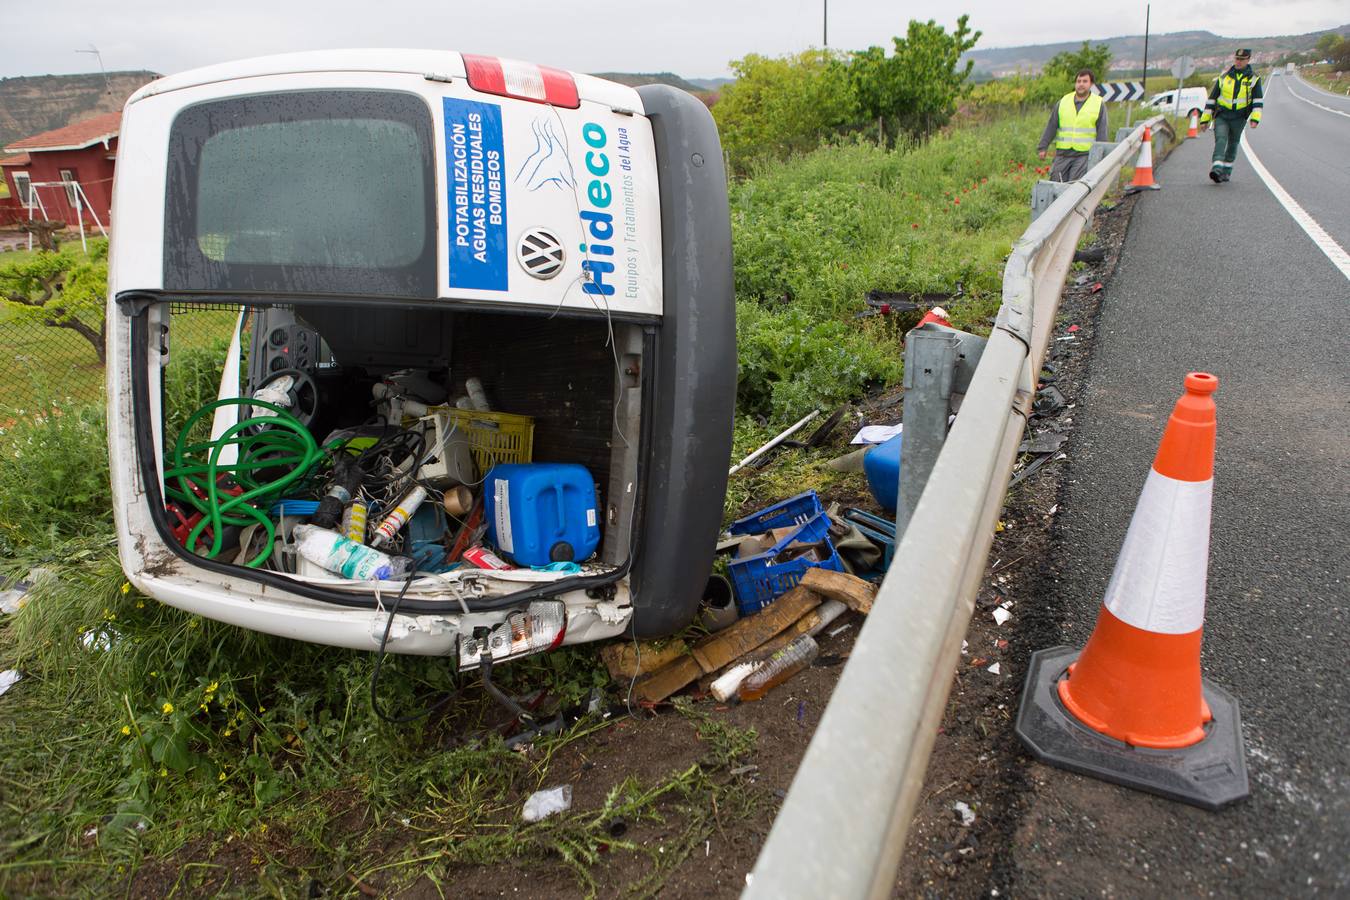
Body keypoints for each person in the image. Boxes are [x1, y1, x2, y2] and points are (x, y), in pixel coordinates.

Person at [1199, 48, 1263, 183]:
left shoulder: (1254, 79)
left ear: (1248, 60)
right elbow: (1212, 99)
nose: (1238, 62)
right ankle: (1216, 168)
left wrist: (1255, 119)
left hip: (1239, 117)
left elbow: (1257, 101)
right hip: (1222, 114)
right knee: (1221, 139)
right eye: (1236, 59)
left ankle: (1226, 172)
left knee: (1233, 142)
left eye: (1242, 59)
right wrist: (1205, 120)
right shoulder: (1224, 77)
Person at [1037, 69, 1109, 183]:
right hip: (1062, 154)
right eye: (1078, 81)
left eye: (1085, 81)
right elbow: (1052, 125)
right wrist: (1043, 147)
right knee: (1056, 183)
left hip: (1083, 155)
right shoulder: (1063, 101)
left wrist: (1101, 153)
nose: (1081, 84)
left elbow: (1102, 131)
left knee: (1074, 186)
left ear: (1091, 84)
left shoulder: (1098, 104)